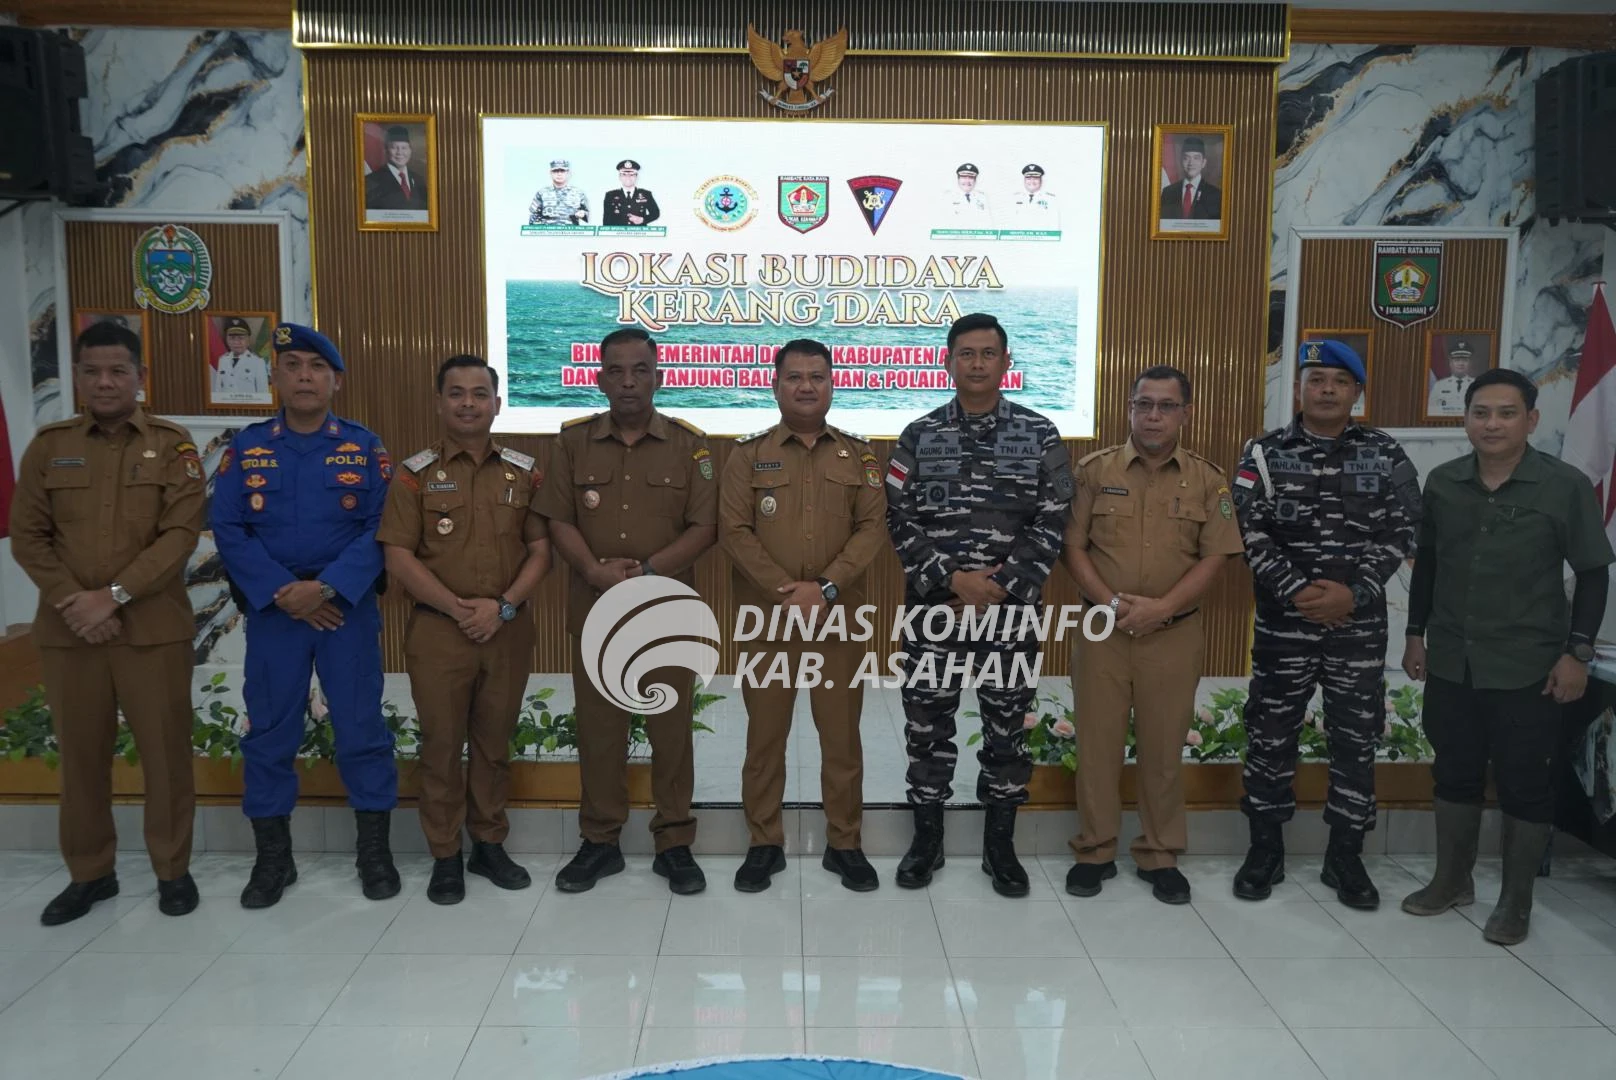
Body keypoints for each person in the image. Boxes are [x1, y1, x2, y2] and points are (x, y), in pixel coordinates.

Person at [1401, 368, 1612, 944]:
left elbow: (1593, 574)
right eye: (1481, 413)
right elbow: (1429, 565)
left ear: (1531, 420)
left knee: (1524, 783)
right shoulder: (1444, 482)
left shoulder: (1564, 485)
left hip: (1530, 665)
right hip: (1453, 661)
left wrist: (1577, 653)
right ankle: (1452, 881)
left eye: (1506, 413)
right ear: (1466, 419)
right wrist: (1415, 634)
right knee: (1454, 772)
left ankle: (1516, 902)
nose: (1491, 424)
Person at [9, 321, 205, 925]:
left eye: (118, 370)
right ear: (76, 377)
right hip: (71, 631)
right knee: (81, 757)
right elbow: (28, 536)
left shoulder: (173, 447)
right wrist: (78, 601)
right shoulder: (49, 446)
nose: (105, 382)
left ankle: (172, 870)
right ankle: (91, 873)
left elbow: (180, 535)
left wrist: (113, 597)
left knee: (166, 756)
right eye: (92, 371)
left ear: (139, 377)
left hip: (153, 631)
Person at [210, 322, 400, 909]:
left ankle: (374, 852)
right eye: (292, 366)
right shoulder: (247, 448)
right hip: (276, 615)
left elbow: (382, 527)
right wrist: (283, 591)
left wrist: (326, 589)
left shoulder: (364, 448)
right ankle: (274, 859)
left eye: (317, 368)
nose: (304, 377)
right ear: (275, 377)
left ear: (336, 381)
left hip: (345, 611)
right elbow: (227, 526)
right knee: (269, 732)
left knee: (361, 728)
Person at [885, 312, 1074, 897]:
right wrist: (952, 580)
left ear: (1006, 362)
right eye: (965, 353)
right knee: (927, 729)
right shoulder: (918, 435)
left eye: (988, 353)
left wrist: (1001, 585)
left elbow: (1055, 517)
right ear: (947, 362)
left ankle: (1001, 847)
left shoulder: (1040, 434)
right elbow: (898, 516)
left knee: (1007, 730)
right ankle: (927, 840)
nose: (976, 363)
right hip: (935, 612)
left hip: (1009, 613)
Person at [1230, 339, 1418, 910]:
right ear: (1299, 389)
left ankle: (1346, 857)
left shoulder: (1385, 453)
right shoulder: (1263, 453)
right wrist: (1298, 591)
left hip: (1357, 627)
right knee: (1270, 735)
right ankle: (1265, 850)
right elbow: (1247, 530)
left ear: (1356, 391)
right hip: (1285, 626)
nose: (1327, 390)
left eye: (1339, 381)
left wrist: (1353, 593)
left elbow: (1403, 529)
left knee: (1356, 739)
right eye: (1316, 380)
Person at [534, 327, 716, 894]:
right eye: (617, 371)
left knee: (671, 731)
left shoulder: (690, 445)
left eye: (641, 370)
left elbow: (705, 526)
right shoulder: (572, 443)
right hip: (597, 609)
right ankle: (600, 841)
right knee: (599, 731)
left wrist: (651, 572)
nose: (629, 382)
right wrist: (592, 571)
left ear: (658, 376)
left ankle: (674, 842)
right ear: (600, 378)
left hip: (666, 612)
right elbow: (558, 518)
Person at [1061, 366, 1243, 904]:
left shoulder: (1208, 480)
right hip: (1103, 628)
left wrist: (1162, 608)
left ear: (1186, 413)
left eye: (1166, 406)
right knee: (1097, 744)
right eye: (1144, 405)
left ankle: (1159, 853)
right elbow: (1072, 547)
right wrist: (1112, 603)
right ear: (1130, 409)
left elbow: (1216, 557)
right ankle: (1095, 850)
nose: (1154, 416)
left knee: (1164, 748)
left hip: (1173, 633)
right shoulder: (1093, 472)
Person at [378, 355, 553, 905]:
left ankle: (489, 845)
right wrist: (459, 610)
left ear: (497, 404)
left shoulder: (525, 473)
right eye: (456, 393)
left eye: (480, 393)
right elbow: (398, 555)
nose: (469, 403)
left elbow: (541, 550)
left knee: (493, 744)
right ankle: (445, 854)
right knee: (441, 746)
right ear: (439, 403)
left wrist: (502, 607)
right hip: (439, 633)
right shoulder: (414, 474)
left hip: (505, 629)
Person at [720, 339, 888, 893]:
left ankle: (845, 844)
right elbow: (735, 532)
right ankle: (763, 843)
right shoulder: (747, 456)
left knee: (841, 738)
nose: (807, 386)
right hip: (768, 623)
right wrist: (786, 593)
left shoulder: (861, 456)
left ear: (833, 384)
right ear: (775, 386)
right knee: (764, 738)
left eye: (817, 376)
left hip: (838, 623)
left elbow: (872, 529)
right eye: (794, 377)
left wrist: (827, 588)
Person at [364, 125, 428, 212]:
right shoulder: (372, 180)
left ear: (410, 150)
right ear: (386, 150)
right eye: (394, 148)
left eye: (404, 148)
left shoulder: (418, 180)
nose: (400, 152)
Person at [1158, 136, 1221, 222]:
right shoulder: (1168, 192)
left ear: (1203, 162)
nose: (1191, 163)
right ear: (1181, 161)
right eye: (1186, 158)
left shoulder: (1215, 195)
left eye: (1196, 158)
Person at [212, 317, 270, 404]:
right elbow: (218, 390)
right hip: (226, 408)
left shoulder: (258, 362)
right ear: (226, 340)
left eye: (240, 338)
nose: (236, 342)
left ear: (248, 340)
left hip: (249, 408)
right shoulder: (223, 360)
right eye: (232, 338)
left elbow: (263, 394)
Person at [1426, 337, 1479, 417]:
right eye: (1457, 360)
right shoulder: (1439, 386)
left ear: (1470, 363)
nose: (1461, 363)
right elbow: (1430, 411)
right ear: (1450, 363)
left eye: (1464, 360)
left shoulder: (1477, 385)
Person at [528, 159, 590, 225]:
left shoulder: (579, 193)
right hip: (548, 231)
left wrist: (583, 214)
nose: (559, 174)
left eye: (562, 171)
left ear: (568, 173)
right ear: (551, 173)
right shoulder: (541, 193)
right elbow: (533, 216)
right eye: (555, 171)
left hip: (571, 230)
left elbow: (587, 214)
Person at [601, 160, 660, 226]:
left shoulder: (646, 194)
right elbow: (606, 220)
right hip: (618, 232)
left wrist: (643, 219)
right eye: (624, 174)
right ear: (619, 177)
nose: (628, 177)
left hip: (639, 232)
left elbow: (655, 213)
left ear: (636, 176)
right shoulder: (610, 195)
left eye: (631, 175)